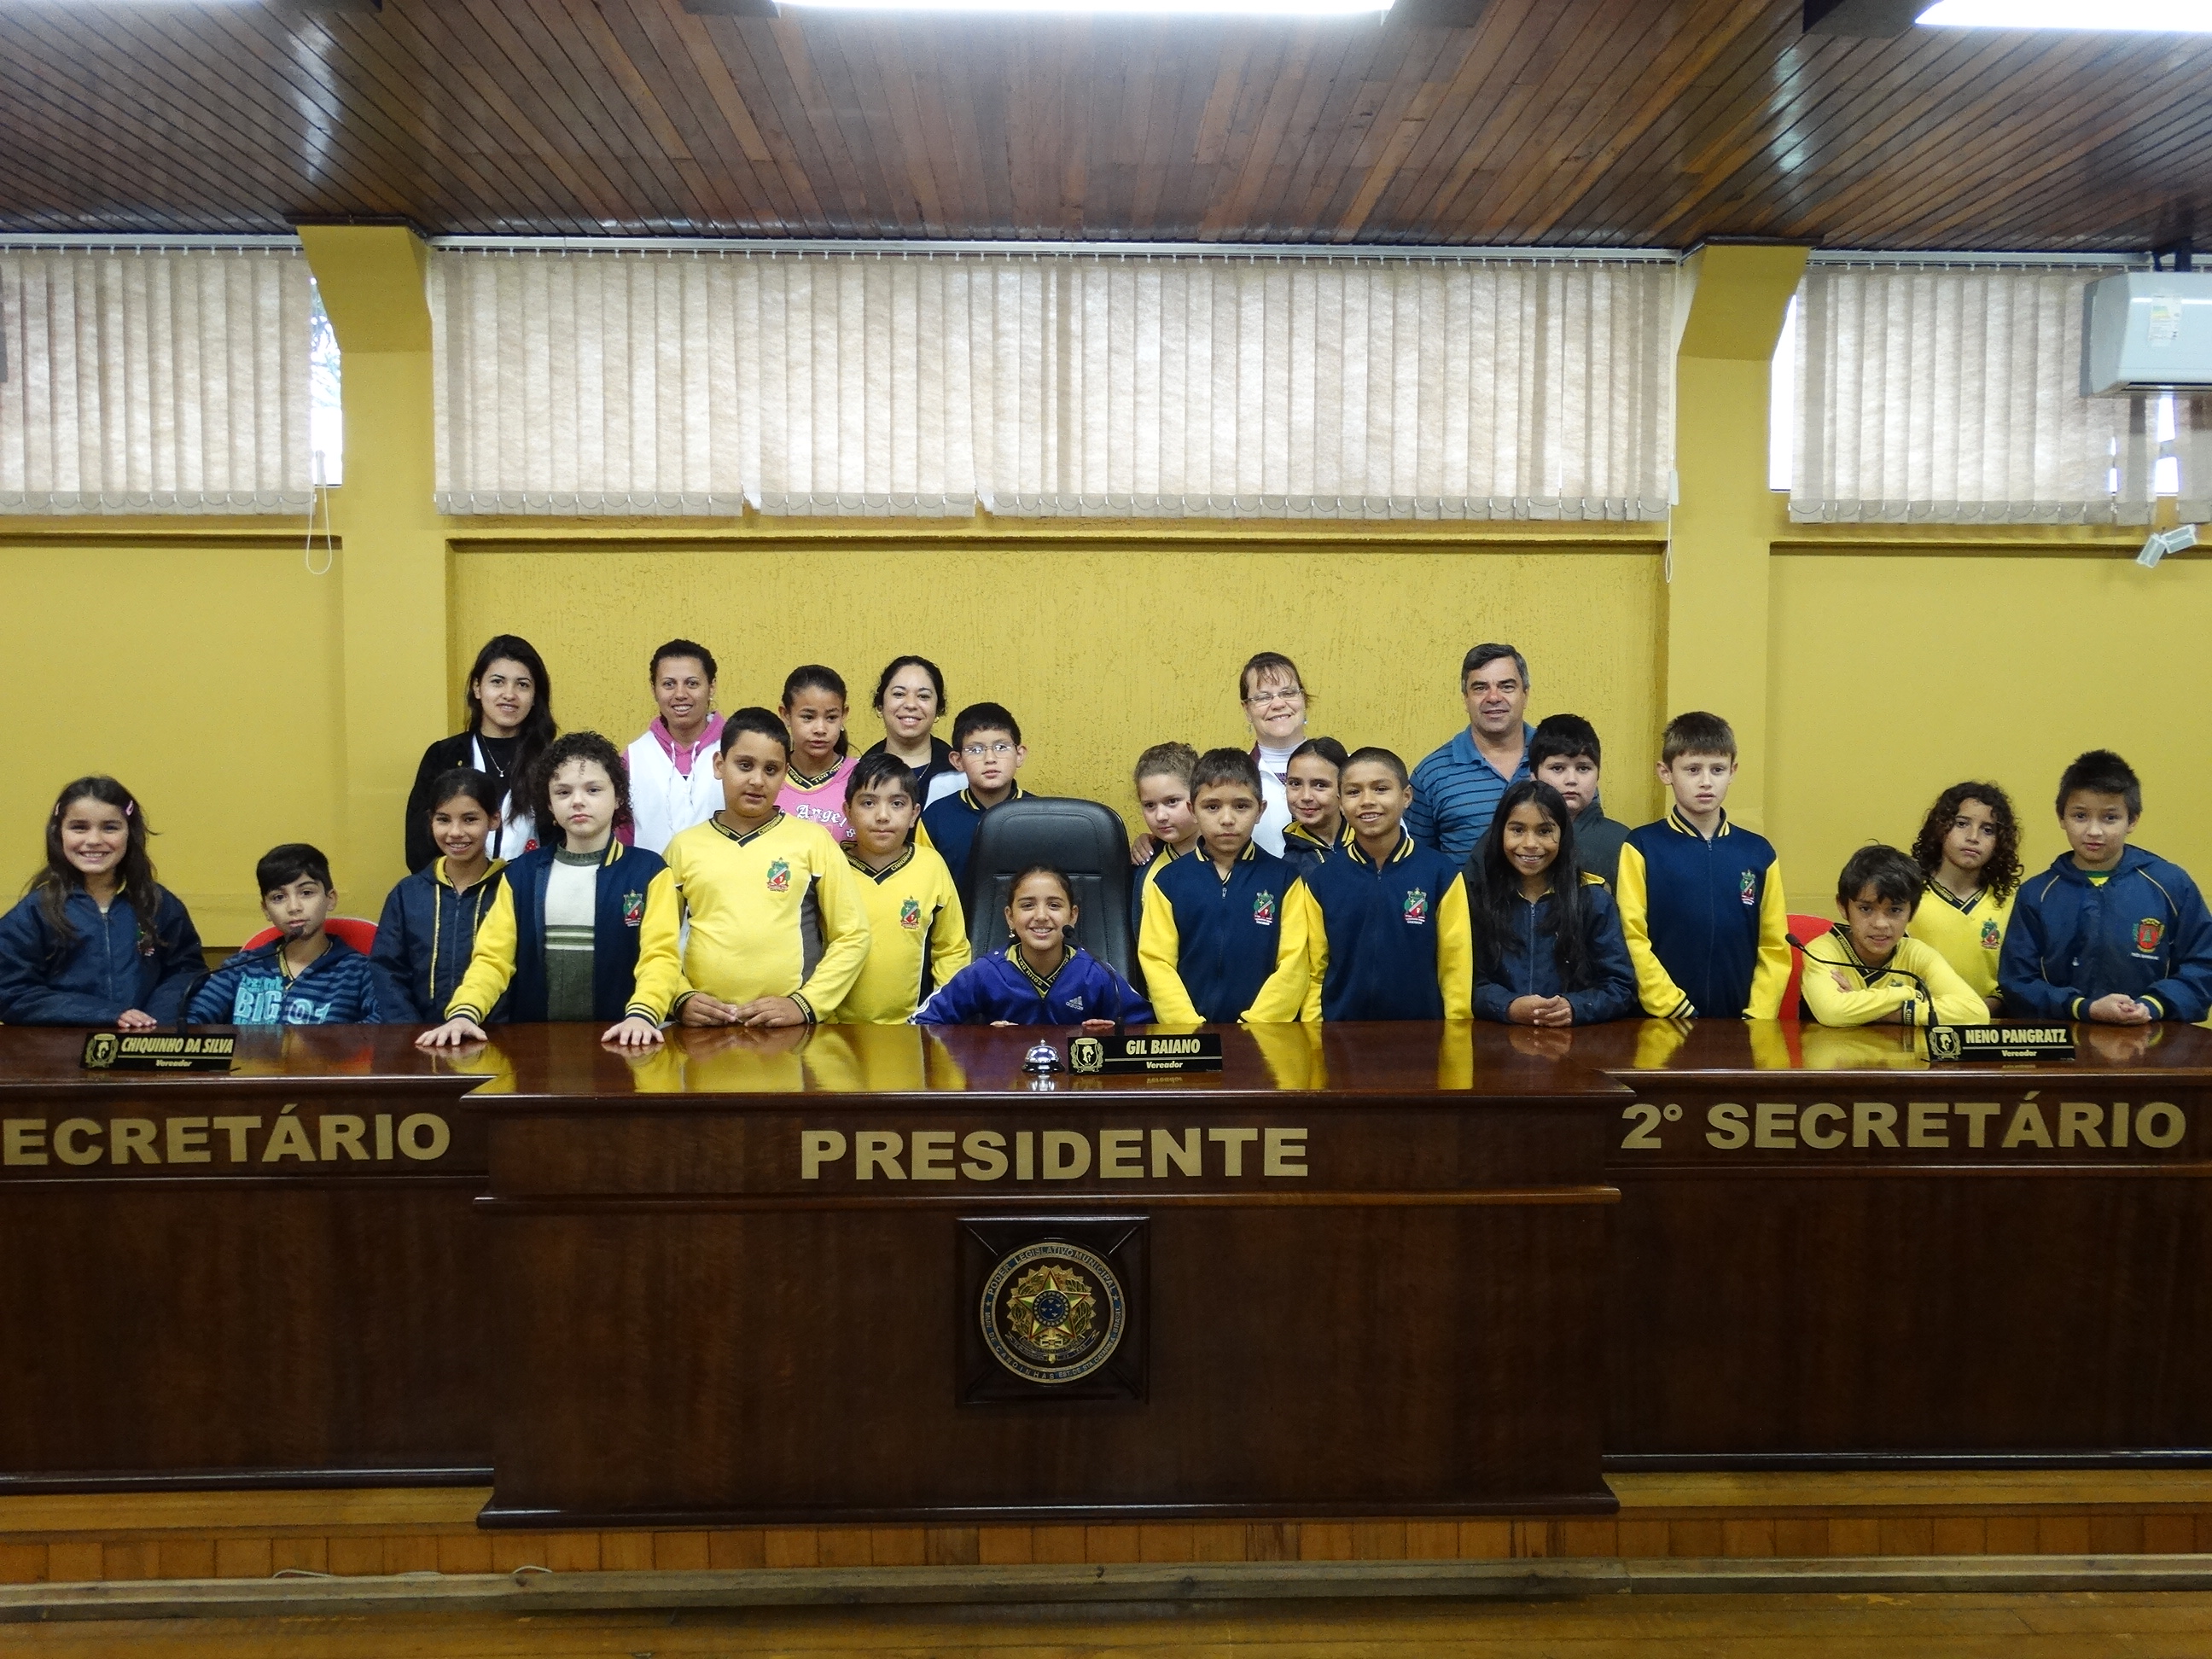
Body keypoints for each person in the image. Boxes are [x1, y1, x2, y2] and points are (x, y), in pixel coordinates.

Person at [620, 707, 873, 1039]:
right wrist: (681, 997)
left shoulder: (814, 842)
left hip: (791, 1034)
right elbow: (657, 942)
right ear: (719, 765)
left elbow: (852, 935)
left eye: (771, 769)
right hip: (704, 1033)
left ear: (785, 775)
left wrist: (805, 1004)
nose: (757, 780)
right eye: (744, 765)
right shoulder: (684, 848)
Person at [419, 732, 671, 1047]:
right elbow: (492, 959)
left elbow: (659, 957)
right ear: (550, 805)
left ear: (618, 796)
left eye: (593, 789)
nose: (577, 801)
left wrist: (643, 1014)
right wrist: (464, 1014)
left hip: (623, 1041)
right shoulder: (521, 874)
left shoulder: (648, 872)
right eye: (563, 792)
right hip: (534, 1046)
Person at [1999, 749, 2212, 1024]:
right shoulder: (2036, 894)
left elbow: (2204, 964)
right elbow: (2017, 982)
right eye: (2080, 816)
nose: (2094, 831)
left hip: (2155, 1045)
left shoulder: (2170, 884)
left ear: (2132, 820)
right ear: (2061, 818)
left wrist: (2153, 1005)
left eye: (2110, 818)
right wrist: (2082, 1007)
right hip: (2063, 1046)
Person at [1615, 711, 1789, 1021]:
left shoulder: (1758, 853)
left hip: (1741, 1023)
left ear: (1733, 771)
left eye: (1717, 769)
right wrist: (1670, 1006)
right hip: (1662, 1021)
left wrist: (1759, 1015)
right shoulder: (1642, 846)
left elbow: (1774, 946)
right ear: (1666, 772)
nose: (1706, 782)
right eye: (1692, 770)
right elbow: (1632, 937)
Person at [1284, 746, 1472, 1021]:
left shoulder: (1439, 873)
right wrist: (1316, 1033)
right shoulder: (1323, 880)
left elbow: (1456, 963)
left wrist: (1456, 1030)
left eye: (1381, 789)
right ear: (1339, 801)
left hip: (1423, 1035)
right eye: (1353, 791)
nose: (1367, 801)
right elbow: (1316, 969)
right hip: (1341, 1036)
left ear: (1406, 796)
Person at [0, 776, 203, 1028]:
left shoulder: (159, 904)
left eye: (110, 827)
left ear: (130, 833)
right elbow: (13, 993)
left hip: (142, 1049)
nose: (94, 840)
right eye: (79, 827)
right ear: (58, 833)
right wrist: (106, 1013)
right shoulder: (32, 914)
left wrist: (153, 1023)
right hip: (57, 1057)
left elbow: (186, 972)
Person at [1138, 748, 1309, 1025]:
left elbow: (1294, 964)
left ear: (1259, 811)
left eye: (1241, 806)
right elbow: (1157, 962)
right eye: (1212, 807)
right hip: (1190, 1039)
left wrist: (1258, 1025)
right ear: (1193, 810)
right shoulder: (1168, 883)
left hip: (1264, 1036)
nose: (1227, 819)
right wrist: (1188, 1026)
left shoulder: (1284, 881)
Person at [1467, 779, 1636, 1027]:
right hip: (1496, 1044)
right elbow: (1468, 983)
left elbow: (1620, 987)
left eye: (1545, 831)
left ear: (1563, 835)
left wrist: (1574, 1007)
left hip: (1574, 1044)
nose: (1530, 844)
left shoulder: (1593, 899)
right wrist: (1508, 1006)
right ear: (1499, 833)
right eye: (1517, 830)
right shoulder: (1478, 899)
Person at [914, 864, 1150, 1027]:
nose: (1041, 916)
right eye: (1027, 906)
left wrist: (1111, 1037)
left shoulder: (1096, 973)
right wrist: (981, 1041)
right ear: (1009, 917)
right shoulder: (985, 972)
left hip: (1074, 1093)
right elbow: (922, 1023)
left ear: (1073, 915)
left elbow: (1146, 1028)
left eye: (1055, 906)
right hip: (1004, 1093)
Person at [832, 751, 969, 1023]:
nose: (882, 816)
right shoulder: (830, 866)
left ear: (914, 814)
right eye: (868, 803)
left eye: (897, 803)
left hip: (910, 1029)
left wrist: (939, 1016)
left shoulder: (930, 866)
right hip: (833, 1030)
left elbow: (951, 949)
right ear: (848, 811)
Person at [403, 634, 555, 871]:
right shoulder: (443, 756)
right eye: (497, 682)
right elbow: (419, 846)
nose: (509, 694)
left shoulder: (552, 761)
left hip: (530, 895)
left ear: (535, 696)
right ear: (477, 688)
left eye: (522, 684)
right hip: (458, 895)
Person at [370, 768, 509, 1024]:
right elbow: (387, 970)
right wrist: (411, 1033)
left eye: (469, 819)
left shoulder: (511, 888)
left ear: (494, 819)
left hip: (499, 1039)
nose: (455, 832)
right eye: (443, 820)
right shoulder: (407, 894)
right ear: (430, 820)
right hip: (418, 1042)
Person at [188, 844, 382, 1025]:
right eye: (278, 897)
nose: (294, 907)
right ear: (265, 909)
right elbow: (192, 1022)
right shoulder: (241, 968)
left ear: (330, 899)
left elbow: (385, 1024)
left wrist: (329, 1049)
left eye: (306, 893)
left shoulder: (359, 972)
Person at [1799, 845, 1988, 1028]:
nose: (1880, 924)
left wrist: (1879, 1010)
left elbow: (1976, 1012)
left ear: (1912, 912)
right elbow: (1832, 1012)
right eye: (1866, 909)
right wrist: (1908, 994)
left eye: (1895, 910)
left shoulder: (1916, 954)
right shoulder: (1822, 951)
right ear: (1843, 906)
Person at [1406, 643, 1534, 861]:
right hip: (1464, 896)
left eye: (1506, 686)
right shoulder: (1431, 774)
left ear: (1525, 694)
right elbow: (1417, 863)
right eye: (1480, 688)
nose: (1493, 697)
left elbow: (1588, 837)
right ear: (1465, 698)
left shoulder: (1561, 760)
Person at [1909, 782, 2023, 1015]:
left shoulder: (2012, 903)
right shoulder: (1908, 895)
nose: (1973, 837)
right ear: (1940, 829)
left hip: (1989, 1026)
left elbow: (2019, 976)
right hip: (1921, 1022)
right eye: (1962, 824)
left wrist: (1983, 1009)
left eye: (1987, 830)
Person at [623, 639, 724, 855]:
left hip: (720, 884)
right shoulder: (634, 757)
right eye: (669, 684)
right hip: (651, 883)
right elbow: (623, 833)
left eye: (692, 683)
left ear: (711, 686)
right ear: (654, 689)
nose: (680, 694)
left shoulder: (735, 749)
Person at [919, 702, 1028, 893]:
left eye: (1001, 747)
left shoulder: (1041, 816)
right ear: (957, 761)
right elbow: (922, 887)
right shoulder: (936, 818)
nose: (990, 758)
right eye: (976, 750)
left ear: (1019, 755)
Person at [1528, 714, 1628, 885]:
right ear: (1534, 776)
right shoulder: (1508, 838)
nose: (1571, 779)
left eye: (1583, 768)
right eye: (1558, 768)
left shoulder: (1623, 842)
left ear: (1598, 774)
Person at [861, 655, 963, 809]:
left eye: (923, 696)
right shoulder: (860, 770)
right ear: (880, 705)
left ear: (938, 709)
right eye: (899, 694)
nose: (910, 705)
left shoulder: (960, 773)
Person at [1129, 742, 1200, 938]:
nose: (1160, 815)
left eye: (1172, 802)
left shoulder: (1227, 858)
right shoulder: (1142, 866)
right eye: (1149, 805)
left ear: (1197, 796)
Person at [1280, 736, 1348, 880]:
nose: (1306, 797)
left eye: (1320, 785)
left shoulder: (1371, 845)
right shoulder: (1288, 868)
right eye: (1295, 783)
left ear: (1343, 789)